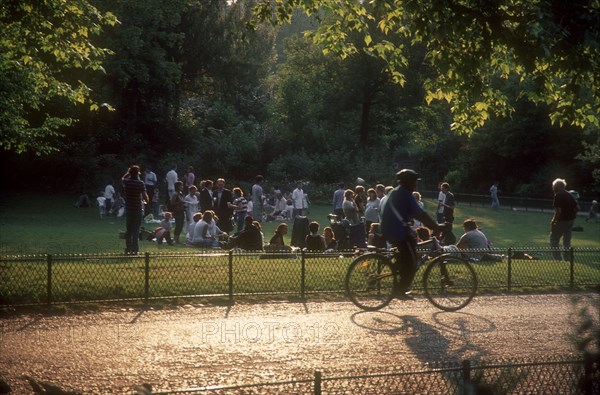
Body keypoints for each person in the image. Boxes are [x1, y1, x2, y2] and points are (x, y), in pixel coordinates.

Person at [380, 169, 445, 298]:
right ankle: (399, 290)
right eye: (414, 182)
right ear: (408, 182)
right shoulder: (405, 194)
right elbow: (421, 214)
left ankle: (399, 271)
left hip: (393, 229)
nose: (416, 185)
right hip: (397, 231)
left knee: (410, 250)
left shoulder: (396, 192)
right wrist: (435, 227)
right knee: (412, 262)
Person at [122, 165, 148, 254]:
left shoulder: (127, 182)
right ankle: (135, 249)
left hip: (129, 209)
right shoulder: (140, 183)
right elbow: (146, 198)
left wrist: (128, 173)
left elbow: (123, 178)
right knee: (136, 230)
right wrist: (145, 200)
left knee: (129, 230)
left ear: (130, 173)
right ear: (138, 173)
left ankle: (128, 248)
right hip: (137, 209)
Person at [550, 178, 578, 260]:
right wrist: (572, 216)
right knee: (567, 240)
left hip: (561, 220)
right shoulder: (569, 194)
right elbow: (577, 208)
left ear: (556, 187)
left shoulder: (558, 195)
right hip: (570, 220)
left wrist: (554, 221)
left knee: (554, 239)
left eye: (553, 186)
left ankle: (557, 259)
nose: (552, 188)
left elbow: (558, 211)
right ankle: (567, 258)